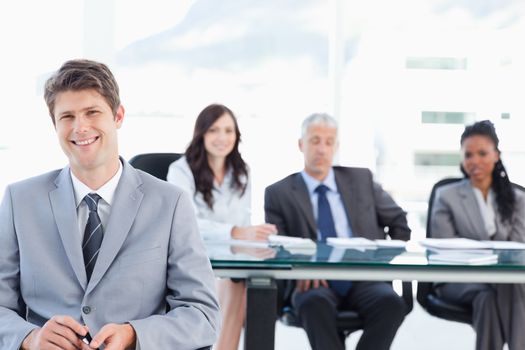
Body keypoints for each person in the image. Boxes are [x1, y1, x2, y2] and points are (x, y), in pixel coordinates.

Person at [0, 59, 220, 350]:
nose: (80, 127)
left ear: (118, 116)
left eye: (92, 112)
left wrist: (134, 335)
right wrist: (29, 338)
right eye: (67, 116)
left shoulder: (171, 203)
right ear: (55, 124)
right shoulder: (21, 201)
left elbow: (203, 317)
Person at [264, 113, 411, 350]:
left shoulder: (362, 180)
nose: (322, 149)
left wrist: (381, 263)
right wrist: (301, 270)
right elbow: (277, 245)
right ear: (301, 144)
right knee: (313, 304)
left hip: (364, 277)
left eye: (329, 142)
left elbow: (399, 223)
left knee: (391, 304)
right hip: (312, 282)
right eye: (315, 141)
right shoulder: (278, 193)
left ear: (336, 147)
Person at [167, 103, 277, 350]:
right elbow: (186, 223)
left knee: (249, 283)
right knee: (233, 282)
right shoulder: (180, 170)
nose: (222, 138)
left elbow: (243, 221)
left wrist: (254, 236)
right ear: (202, 134)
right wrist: (236, 232)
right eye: (214, 130)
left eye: (229, 131)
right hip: (189, 256)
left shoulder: (242, 171)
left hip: (228, 260)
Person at [430, 120, 525, 350]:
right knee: (505, 289)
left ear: (496, 155)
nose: (474, 161)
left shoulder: (517, 198)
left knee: (489, 298)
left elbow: (520, 247)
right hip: (459, 279)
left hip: (503, 281)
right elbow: (446, 249)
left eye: (482, 153)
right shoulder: (446, 196)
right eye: (468, 155)